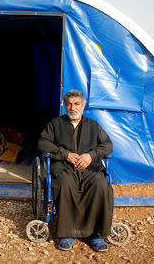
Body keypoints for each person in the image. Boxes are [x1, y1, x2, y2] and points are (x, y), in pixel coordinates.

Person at [37, 89, 113, 252]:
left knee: (100, 185)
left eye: (77, 104)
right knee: (65, 184)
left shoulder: (93, 125)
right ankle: (67, 233)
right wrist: (66, 155)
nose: (73, 107)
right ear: (65, 106)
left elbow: (107, 145)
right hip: (64, 167)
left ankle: (94, 234)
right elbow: (43, 143)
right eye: (69, 104)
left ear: (83, 105)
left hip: (89, 168)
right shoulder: (55, 124)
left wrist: (90, 156)